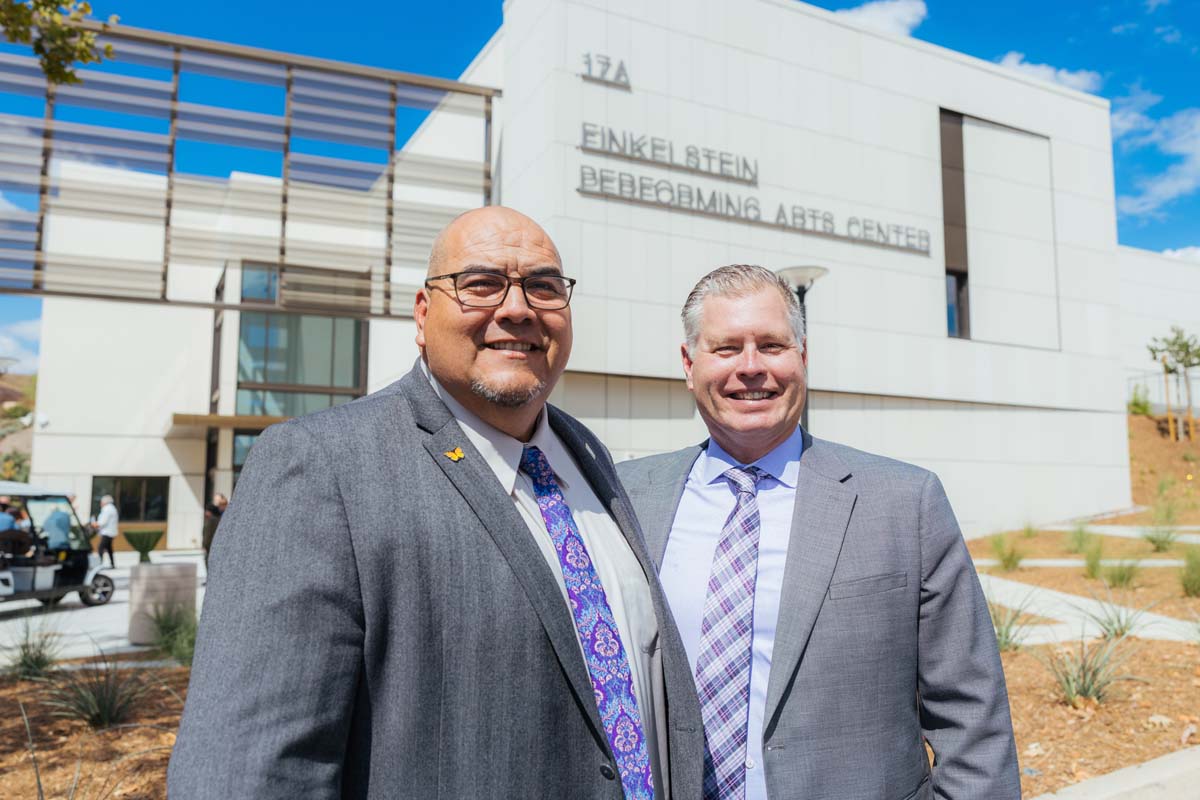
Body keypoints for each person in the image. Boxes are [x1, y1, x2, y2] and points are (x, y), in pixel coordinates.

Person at [168, 207, 703, 799]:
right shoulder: (320, 467)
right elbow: (253, 775)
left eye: (544, 286)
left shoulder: (588, 454)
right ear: (423, 315)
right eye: (481, 284)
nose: (518, 308)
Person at [617, 265, 1020, 799]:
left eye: (772, 345)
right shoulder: (624, 498)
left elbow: (972, 714)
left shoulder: (905, 502)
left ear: (802, 359)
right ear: (689, 365)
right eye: (726, 348)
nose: (751, 367)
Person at [200, 492, 227, 568]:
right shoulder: (218, 518)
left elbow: (207, 535)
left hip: (212, 547)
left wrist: (204, 545)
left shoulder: (212, 520)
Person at [93, 494, 118, 567]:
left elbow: (102, 522)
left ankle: (100, 564)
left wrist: (95, 524)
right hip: (110, 532)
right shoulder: (112, 508)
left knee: (101, 548)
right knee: (109, 548)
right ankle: (112, 564)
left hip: (107, 532)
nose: (100, 504)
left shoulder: (107, 509)